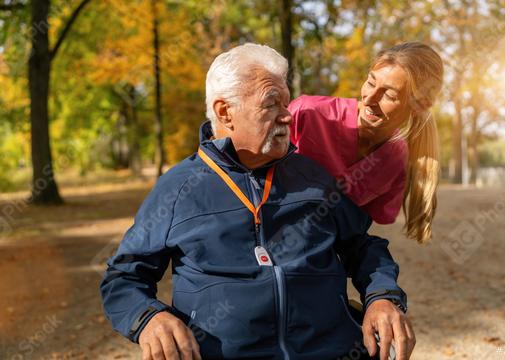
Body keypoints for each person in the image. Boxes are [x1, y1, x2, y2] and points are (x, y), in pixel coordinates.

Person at [100, 43, 415, 360]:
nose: (288, 115)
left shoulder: (312, 176)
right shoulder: (178, 189)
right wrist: (149, 318)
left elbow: (362, 247)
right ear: (226, 112)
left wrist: (382, 297)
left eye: (286, 103)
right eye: (272, 104)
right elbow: (123, 277)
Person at [289, 42, 444, 244]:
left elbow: (355, 234)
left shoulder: (397, 160)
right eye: (370, 83)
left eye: (389, 95)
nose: (370, 99)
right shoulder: (307, 113)